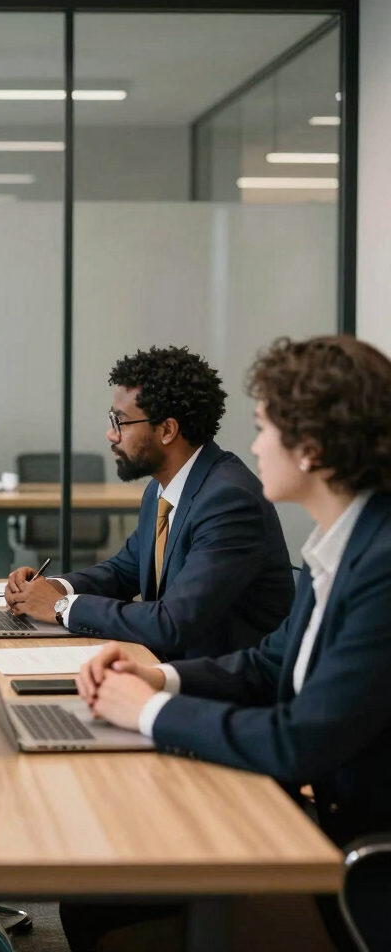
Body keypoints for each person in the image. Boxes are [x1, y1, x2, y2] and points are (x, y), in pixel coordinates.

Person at [72, 334, 391, 952]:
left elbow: (298, 739)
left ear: (313, 449)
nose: (252, 446)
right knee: (93, 895)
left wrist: (148, 712)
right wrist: (159, 679)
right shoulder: (347, 545)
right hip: (312, 820)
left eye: (264, 427)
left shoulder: (380, 565)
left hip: (348, 856)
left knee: (100, 902)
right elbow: (273, 661)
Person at [6, 346, 293, 660]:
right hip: (165, 669)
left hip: (219, 690)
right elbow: (122, 572)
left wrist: (61, 608)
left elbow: (173, 622)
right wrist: (54, 588)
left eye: (121, 422)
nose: (111, 435)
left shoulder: (229, 500)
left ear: (167, 430)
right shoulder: (163, 488)